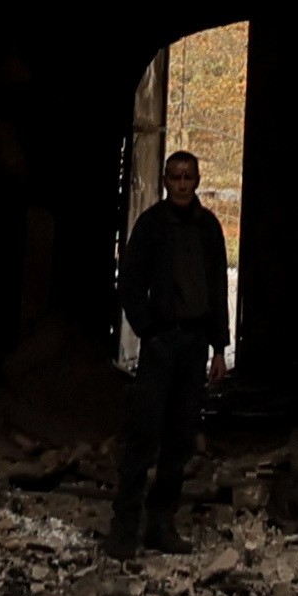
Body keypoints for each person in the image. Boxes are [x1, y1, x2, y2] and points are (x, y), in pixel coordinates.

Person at [114, 148, 231, 549]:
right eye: (175, 177)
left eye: (188, 177)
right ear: (165, 182)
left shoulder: (209, 229)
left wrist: (219, 347)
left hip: (195, 344)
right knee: (144, 434)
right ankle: (124, 530)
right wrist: (148, 328)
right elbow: (129, 281)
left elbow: (218, 289)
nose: (182, 184)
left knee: (180, 438)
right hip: (162, 343)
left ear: (197, 180)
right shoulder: (150, 227)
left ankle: (160, 526)